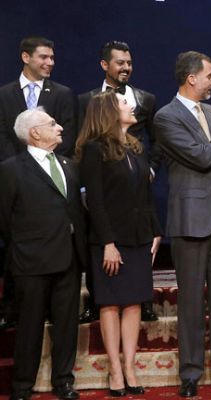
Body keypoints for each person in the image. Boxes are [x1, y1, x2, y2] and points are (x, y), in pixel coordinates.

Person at [154, 51, 211, 397]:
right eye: (210, 75)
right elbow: (202, 156)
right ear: (191, 78)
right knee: (190, 301)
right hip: (190, 221)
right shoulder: (166, 117)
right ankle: (190, 374)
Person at [75, 92, 162, 395]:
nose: (131, 107)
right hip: (110, 241)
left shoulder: (136, 148)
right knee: (111, 303)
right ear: (109, 112)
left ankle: (130, 366)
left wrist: (156, 232)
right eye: (125, 104)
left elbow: (146, 197)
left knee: (134, 302)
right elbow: (95, 202)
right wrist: (108, 243)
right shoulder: (93, 150)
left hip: (139, 238)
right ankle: (114, 369)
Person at [0, 108, 86, 400]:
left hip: (68, 259)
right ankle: (22, 386)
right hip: (31, 262)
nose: (60, 127)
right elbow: (4, 220)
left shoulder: (69, 165)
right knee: (29, 326)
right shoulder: (11, 169)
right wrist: (26, 245)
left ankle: (64, 381)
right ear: (34, 132)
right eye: (52, 124)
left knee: (66, 326)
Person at [76, 40, 160, 324]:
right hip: (102, 186)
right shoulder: (87, 100)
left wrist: (149, 169)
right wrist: (86, 184)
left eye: (129, 62)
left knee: (137, 255)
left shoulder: (145, 99)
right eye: (120, 63)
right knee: (103, 251)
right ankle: (95, 302)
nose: (126, 68)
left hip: (135, 182)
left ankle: (143, 301)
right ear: (104, 65)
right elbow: (81, 141)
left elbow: (155, 141)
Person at [0, 36, 77, 331]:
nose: (50, 63)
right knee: (14, 246)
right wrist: (22, 168)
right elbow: (2, 138)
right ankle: (11, 308)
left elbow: (67, 136)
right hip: (15, 181)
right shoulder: (4, 95)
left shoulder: (62, 93)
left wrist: (43, 166)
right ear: (25, 57)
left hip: (51, 182)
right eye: (44, 57)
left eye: (52, 58)